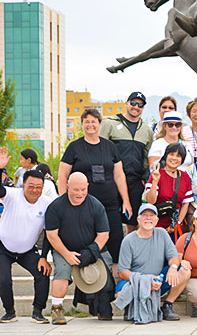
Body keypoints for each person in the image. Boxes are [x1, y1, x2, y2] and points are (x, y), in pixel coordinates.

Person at [58, 108, 131, 276]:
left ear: (100, 124)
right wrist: (64, 200)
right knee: (88, 240)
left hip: (110, 203)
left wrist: (125, 200)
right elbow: (62, 176)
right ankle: (88, 281)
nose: (90, 125)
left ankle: (113, 283)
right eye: (86, 122)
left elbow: (119, 176)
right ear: (82, 125)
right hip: (83, 204)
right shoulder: (74, 147)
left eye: (93, 121)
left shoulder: (110, 146)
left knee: (114, 241)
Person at [45, 172, 111, 325]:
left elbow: (104, 234)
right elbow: (52, 235)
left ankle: (103, 306)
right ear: (68, 187)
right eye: (76, 190)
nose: (80, 194)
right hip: (64, 249)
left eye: (83, 189)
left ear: (87, 187)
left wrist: (90, 252)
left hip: (91, 248)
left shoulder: (96, 205)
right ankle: (57, 309)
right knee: (62, 270)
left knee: (107, 265)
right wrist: (66, 254)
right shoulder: (55, 207)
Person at [116, 203, 191, 323]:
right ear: (138, 219)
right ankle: (131, 307)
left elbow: (174, 257)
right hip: (136, 283)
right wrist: (145, 282)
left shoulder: (162, 234)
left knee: (184, 270)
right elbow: (122, 272)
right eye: (144, 215)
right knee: (119, 294)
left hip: (158, 282)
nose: (148, 218)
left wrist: (173, 267)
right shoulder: (128, 240)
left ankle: (168, 305)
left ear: (156, 220)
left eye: (151, 216)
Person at [0, 156, 52, 324]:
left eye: (39, 187)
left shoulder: (47, 203)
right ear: (23, 185)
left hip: (28, 250)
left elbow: (50, 232)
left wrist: (44, 256)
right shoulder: (12, 195)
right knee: (3, 279)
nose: (35, 190)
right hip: (3, 248)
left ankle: (38, 312)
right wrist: (1, 169)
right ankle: (9, 311)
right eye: (31, 186)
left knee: (43, 274)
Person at [100, 91, 153, 232]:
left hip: (135, 182)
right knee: (110, 220)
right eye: (133, 103)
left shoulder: (147, 130)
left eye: (140, 105)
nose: (136, 107)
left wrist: (144, 178)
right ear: (127, 103)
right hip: (111, 180)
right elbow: (100, 151)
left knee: (133, 220)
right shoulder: (110, 124)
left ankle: (131, 251)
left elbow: (147, 157)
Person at [145, 143, 194, 236]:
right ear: (166, 155)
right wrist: (155, 181)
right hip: (156, 225)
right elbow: (150, 201)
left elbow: (185, 203)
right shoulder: (157, 174)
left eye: (178, 156)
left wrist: (178, 223)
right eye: (171, 154)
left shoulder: (185, 177)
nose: (174, 158)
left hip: (175, 227)